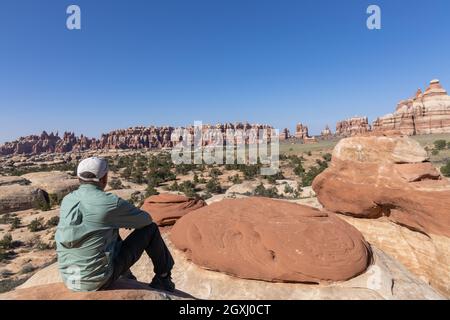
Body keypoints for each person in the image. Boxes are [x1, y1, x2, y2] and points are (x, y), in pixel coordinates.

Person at [55, 156, 175, 292]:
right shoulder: (109, 202)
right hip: (96, 281)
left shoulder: (67, 200)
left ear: (79, 177)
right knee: (150, 229)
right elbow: (146, 220)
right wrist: (123, 220)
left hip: (70, 279)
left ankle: (127, 276)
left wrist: (114, 222)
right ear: (104, 178)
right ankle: (163, 278)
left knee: (106, 230)